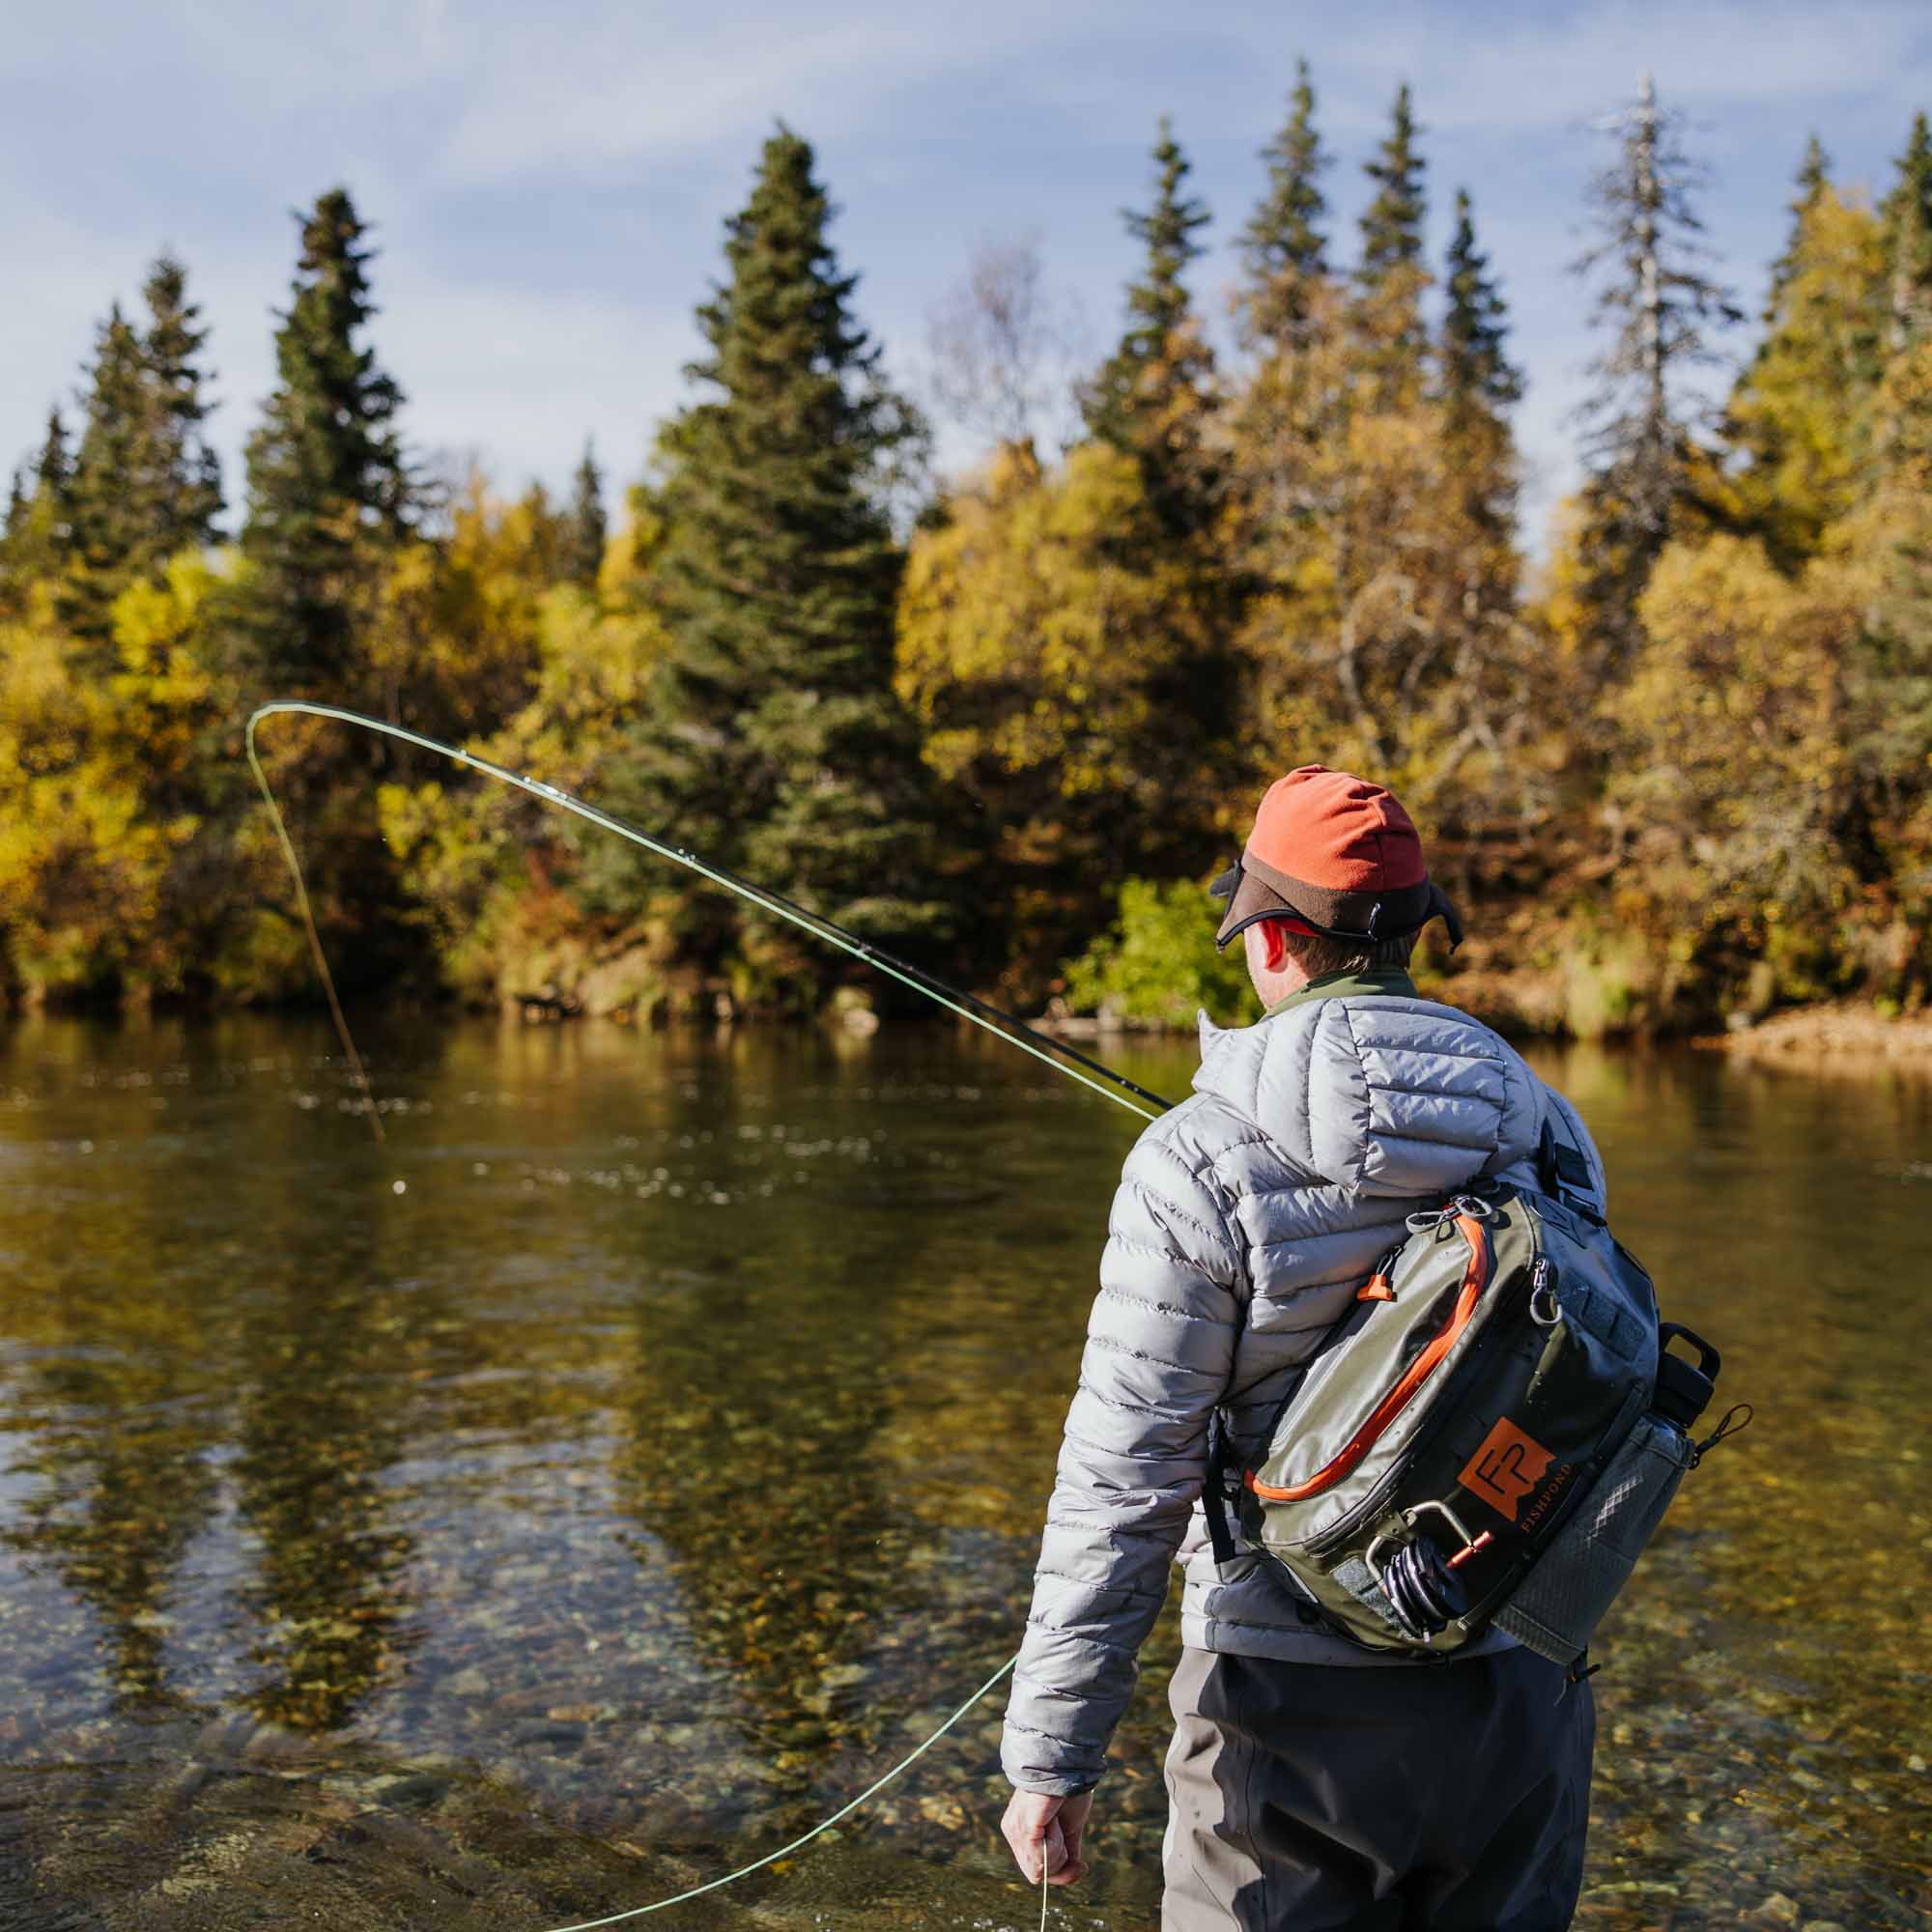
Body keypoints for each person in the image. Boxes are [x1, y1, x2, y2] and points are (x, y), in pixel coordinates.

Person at [999, 765, 1602, 1932]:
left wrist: (1050, 1758)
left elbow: (1123, 1482)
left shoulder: (1189, 1162)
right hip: (1516, 1688)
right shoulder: (1551, 1131)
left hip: (1279, 1710)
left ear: (1268, 937)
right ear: (1417, 935)